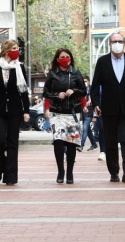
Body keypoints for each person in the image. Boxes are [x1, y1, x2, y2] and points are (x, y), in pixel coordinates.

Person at [91, 33, 125, 183]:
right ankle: (114, 172)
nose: (117, 43)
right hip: (108, 110)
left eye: (120, 41)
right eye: (114, 41)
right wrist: (96, 104)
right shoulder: (102, 61)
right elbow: (95, 87)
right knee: (111, 142)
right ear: (109, 44)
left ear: (124, 43)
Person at [0, 39, 30, 186]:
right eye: (15, 48)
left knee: (12, 143)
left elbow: (23, 90)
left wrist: (26, 110)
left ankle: (11, 176)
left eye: (18, 48)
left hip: (15, 110)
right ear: (7, 50)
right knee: (0, 140)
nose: (18, 51)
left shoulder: (20, 67)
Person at [43, 48, 87, 184]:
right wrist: (56, 95)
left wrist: (73, 91)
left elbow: (84, 91)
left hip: (72, 112)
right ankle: (60, 171)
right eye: (62, 56)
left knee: (71, 143)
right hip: (57, 112)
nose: (65, 58)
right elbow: (45, 93)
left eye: (68, 56)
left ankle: (70, 173)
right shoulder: (52, 74)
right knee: (58, 141)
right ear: (57, 59)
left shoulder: (75, 72)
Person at [78, 76, 97, 152]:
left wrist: (91, 99)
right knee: (88, 130)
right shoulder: (82, 89)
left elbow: (96, 96)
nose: (84, 83)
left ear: (89, 81)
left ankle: (81, 145)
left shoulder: (92, 88)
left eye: (85, 81)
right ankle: (94, 144)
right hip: (83, 111)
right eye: (83, 81)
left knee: (85, 129)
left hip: (90, 111)